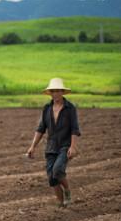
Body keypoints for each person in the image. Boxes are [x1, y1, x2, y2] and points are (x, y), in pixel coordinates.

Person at [27, 78, 81, 208]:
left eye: (57, 91)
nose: (55, 93)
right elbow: (41, 129)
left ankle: (67, 190)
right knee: (52, 177)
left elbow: (75, 128)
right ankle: (61, 204)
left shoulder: (70, 108)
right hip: (51, 147)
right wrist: (33, 146)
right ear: (50, 93)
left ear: (62, 92)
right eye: (53, 91)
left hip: (65, 145)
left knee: (58, 170)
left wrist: (72, 147)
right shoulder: (47, 108)